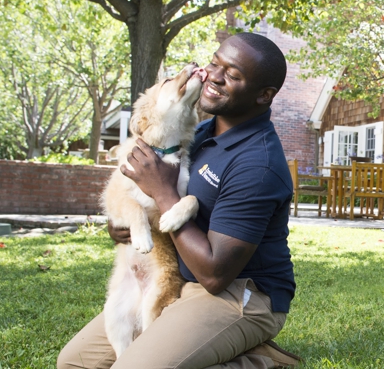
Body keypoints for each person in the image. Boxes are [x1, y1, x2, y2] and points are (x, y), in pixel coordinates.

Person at [57, 32, 299, 369]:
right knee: (74, 363)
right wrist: (124, 222)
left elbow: (215, 275)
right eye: (215, 63)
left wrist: (163, 192)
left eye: (233, 75)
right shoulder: (197, 132)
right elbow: (137, 195)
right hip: (178, 280)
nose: (214, 76)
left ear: (264, 95)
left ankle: (257, 363)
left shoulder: (258, 165)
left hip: (240, 294)